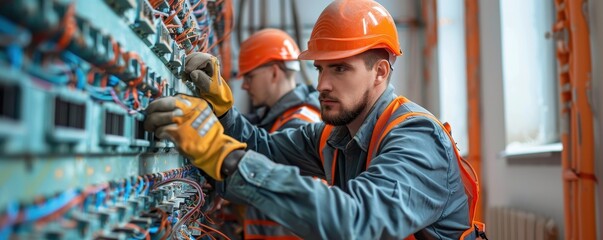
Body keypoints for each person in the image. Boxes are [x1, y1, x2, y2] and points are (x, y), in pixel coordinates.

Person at [144, 0, 482, 239]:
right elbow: (263, 148)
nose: (321, 85)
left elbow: (357, 221)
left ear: (380, 72)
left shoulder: (416, 138)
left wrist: (224, 156)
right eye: (320, 68)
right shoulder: (334, 136)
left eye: (340, 68)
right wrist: (222, 113)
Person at [227, 28, 322, 239]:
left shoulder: (300, 122)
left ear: (274, 72)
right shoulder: (277, 117)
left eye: (249, 76)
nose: (244, 85)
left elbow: (260, 180)